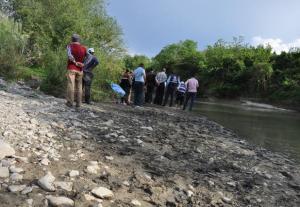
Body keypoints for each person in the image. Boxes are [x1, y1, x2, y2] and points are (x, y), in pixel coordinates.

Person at [66, 34, 87, 108]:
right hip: (80, 70)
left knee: (71, 85)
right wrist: (83, 64)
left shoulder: (69, 46)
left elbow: (69, 56)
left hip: (72, 68)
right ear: (79, 40)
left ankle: (70, 103)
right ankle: (79, 104)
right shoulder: (84, 48)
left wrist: (75, 62)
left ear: (72, 39)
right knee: (79, 86)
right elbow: (87, 57)